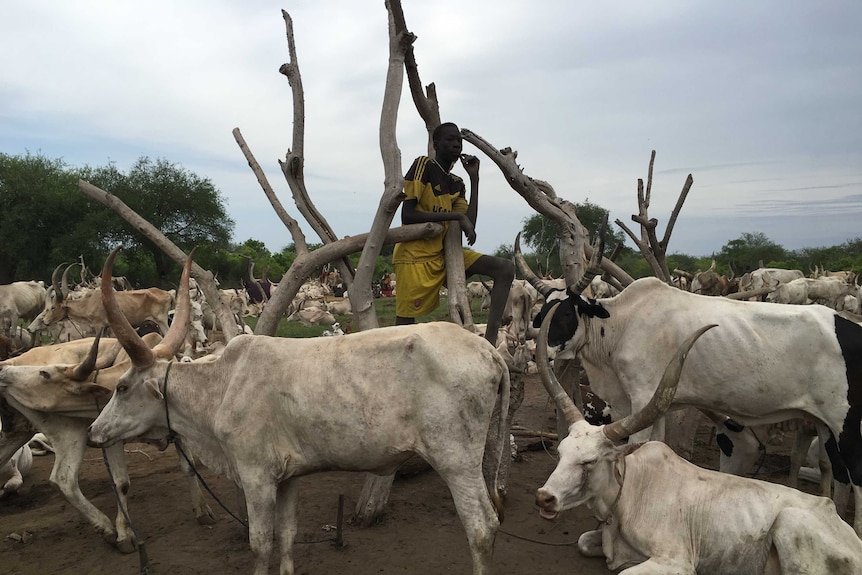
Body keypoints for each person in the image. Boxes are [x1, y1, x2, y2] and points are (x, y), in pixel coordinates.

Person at [392, 122, 514, 346]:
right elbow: (407, 215)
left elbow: (469, 225)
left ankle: (490, 341)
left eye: (459, 140)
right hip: (414, 257)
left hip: (445, 256)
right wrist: (455, 217)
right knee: (406, 328)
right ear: (436, 144)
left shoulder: (456, 183)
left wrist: (474, 180)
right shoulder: (423, 165)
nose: (456, 144)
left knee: (505, 268)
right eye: (450, 140)